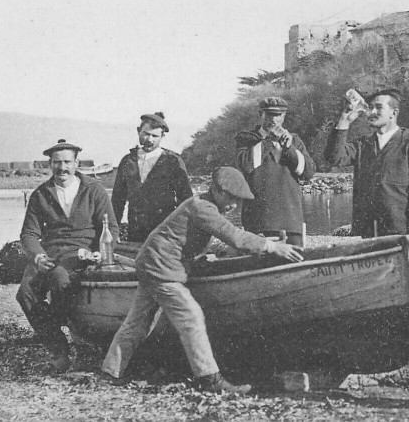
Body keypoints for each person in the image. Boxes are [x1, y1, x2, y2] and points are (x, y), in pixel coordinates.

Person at [100, 167, 304, 393]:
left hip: (152, 263)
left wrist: (260, 243)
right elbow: (234, 236)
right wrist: (271, 246)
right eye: (232, 199)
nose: (234, 205)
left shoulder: (204, 206)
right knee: (191, 317)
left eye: (239, 201)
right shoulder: (202, 208)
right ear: (216, 190)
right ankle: (210, 379)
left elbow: (218, 239)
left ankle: (109, 372)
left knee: (137, 323)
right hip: (161, 268)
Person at [17, 139, 119, 373]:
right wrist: (38, 257)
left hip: (80, 254)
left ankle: (62, 337)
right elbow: (29, 234)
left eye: (67, 162)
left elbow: (111, 228)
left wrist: (98, 253)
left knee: (61, 280)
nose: (62, 168)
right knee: (25, 293)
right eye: (56, 163)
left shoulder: (93, 190)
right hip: (49, 255)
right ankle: (58, 349)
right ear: (50, 164)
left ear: (76, 163)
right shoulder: (40, 194)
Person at [325, 88, 409, 237]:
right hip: (365, 231)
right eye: (371, 107)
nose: (372, 111)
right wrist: (344, 120)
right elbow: (334, 157)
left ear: (393, 113)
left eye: (379, 107)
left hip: (399, 230)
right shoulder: (363, 144)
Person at [235, 97, 315, 246]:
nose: (274, 119)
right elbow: (246, 165)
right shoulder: (246, 138)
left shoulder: (295, 140)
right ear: (261, 114)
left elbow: (308, 172)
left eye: (278, 115)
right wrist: (267, 141)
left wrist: (289, 148)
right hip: (258, 220)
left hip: (291, 220)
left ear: (284, 117)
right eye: (269, 114)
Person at [112, 112, 193, 242]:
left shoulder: (173, 161)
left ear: (162, 136)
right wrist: (113, 230)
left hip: (164, 230)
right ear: (138, 131)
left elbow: (186, 200)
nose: (150, 140)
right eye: (146, 134)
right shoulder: (127, 161)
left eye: (155, 136)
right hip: (135, 229)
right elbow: (117, 200)